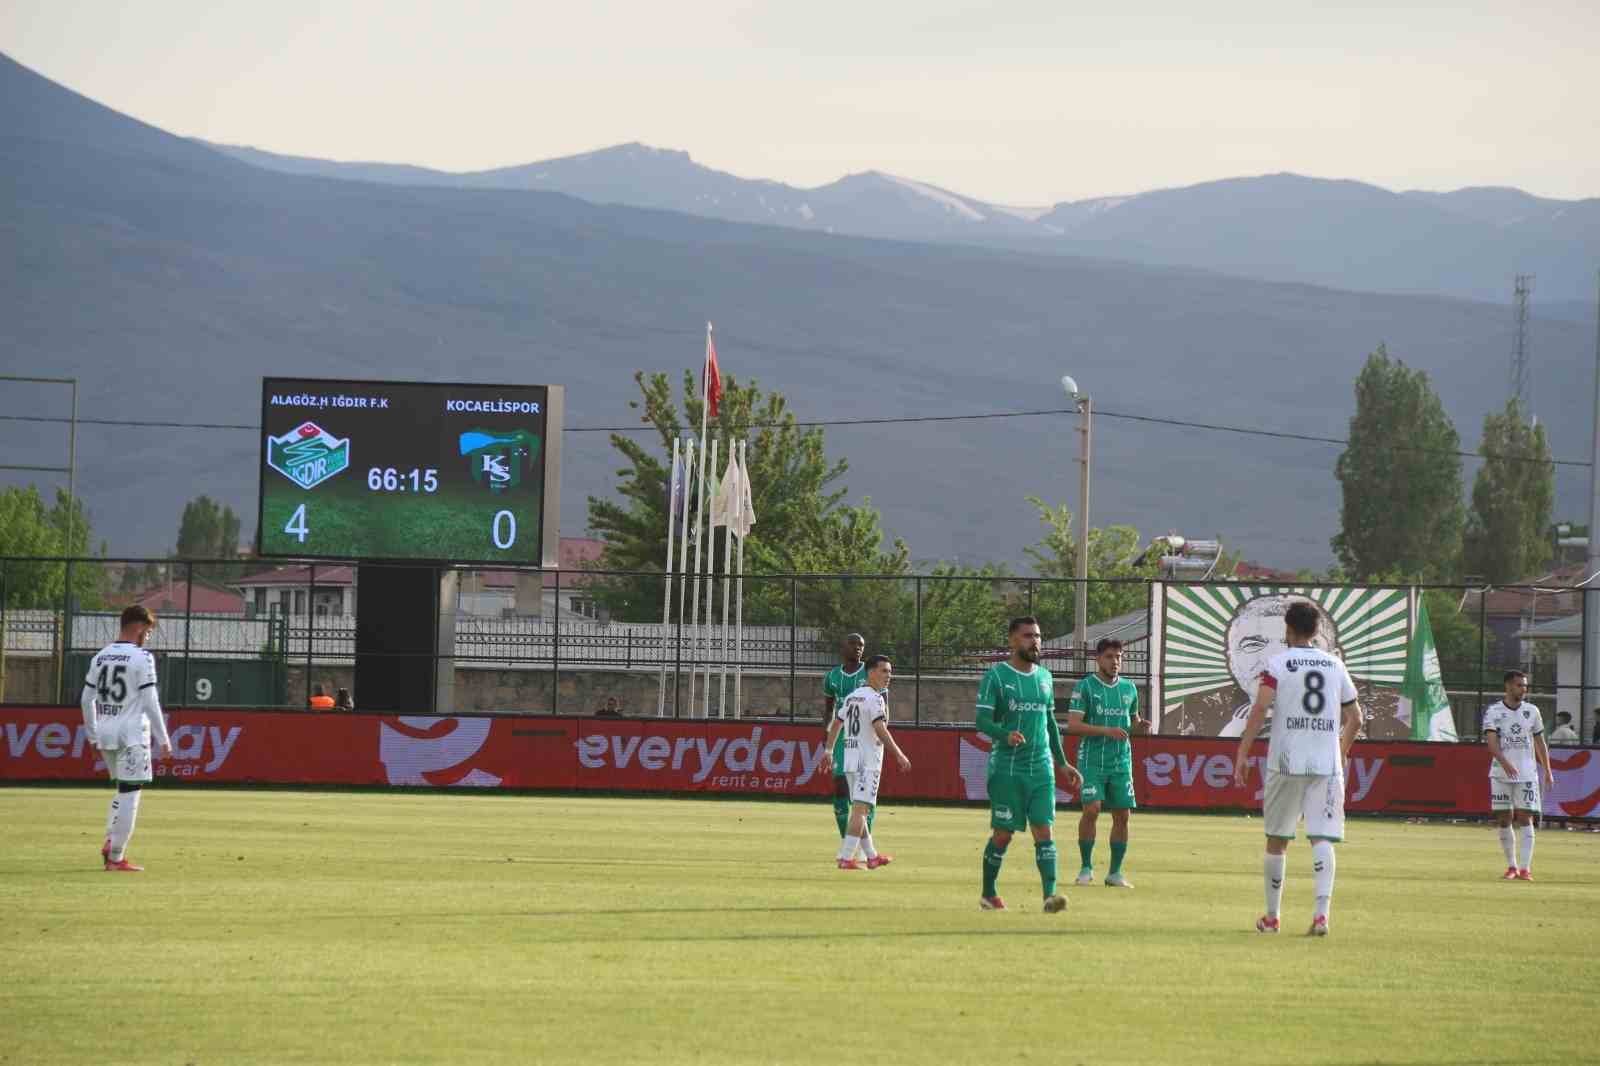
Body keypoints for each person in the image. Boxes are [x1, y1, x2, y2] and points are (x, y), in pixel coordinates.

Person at [1231, 600, 1361, 936]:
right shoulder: (1335, 665)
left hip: (1286, 759)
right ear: (1317, 630)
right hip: (1326, 762)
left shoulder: (1277, 664)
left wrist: (1243, 752)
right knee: (1322, 837)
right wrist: (1341, 751)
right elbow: (1355, 719)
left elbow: (1259, 709)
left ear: (1287, 629)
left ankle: (1273, 917)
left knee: (1277, 839)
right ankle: (1321, 916)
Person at [974, 617, 1083, 913]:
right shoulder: (997, 676)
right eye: (1027, 636)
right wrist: (1003, 734)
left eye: (1037, 636)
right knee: (1003, 833)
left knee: (1044, 830)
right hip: (1007, 769)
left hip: (1042, 769)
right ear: (1012, 640)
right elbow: (981, 720)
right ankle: (988, 893)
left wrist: (1062, 763)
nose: (1034, 641)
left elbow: (1049, 724)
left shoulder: (1045, 678)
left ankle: (1050, 896)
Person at [80, 605, 171, 872]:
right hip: (132, 735)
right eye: (149, 630)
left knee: (123, 790)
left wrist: (92, 736)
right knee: (132, 794)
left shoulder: (100, 656)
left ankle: (111, 840)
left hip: (107, 734)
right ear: (139, 627)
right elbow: (150, 700)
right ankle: (116, 858)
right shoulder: (142, 657)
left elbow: (87, 699)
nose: (149, 636)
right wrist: (163, 737)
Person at [1067, 637, 1148, 888]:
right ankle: (1085, 867)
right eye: (1110, 657)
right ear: (1098, 659)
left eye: (1119, 657)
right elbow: (1073, 725)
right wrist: (1106, 730)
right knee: (1092, 810)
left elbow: (1131, 721)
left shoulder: (1129, 689)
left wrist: (1140, 726)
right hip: (1091, 760)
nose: (1115, 662)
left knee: (1122, 815)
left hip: (1121, 761)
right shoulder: (1086, 687)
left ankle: (1114, 873)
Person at [821, 655, 911, 870]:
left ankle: (871, 856)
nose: (889, 675)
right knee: (860, 811)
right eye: (884, 671)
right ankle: (845, 857)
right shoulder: (875, 698)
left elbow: (836, 724)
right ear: (870, 673)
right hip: (867, 761)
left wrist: (829, 750)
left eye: (890, 671)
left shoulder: (852, 697)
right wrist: (898, 753)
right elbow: (880, 728)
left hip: (851, 760)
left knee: (860, 810)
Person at [1484, 670, 1554, 881]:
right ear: (1508, 686)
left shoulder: (1532, 711)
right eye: (1519, 685)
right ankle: (1511, 867)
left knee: (1525, 817)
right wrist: (1505, 763)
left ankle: (1525, 869)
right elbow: (1491, 743)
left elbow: (1540, 743)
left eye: (1525, 686)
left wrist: (1548, 770)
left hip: (1526, 774)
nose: (1523, 689)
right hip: (1500, 773)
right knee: (1504, 819)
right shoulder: (1494, 711)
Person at [823, 634, 871, 851]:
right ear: (843, 646)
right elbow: (828, 710)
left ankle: (862, 847)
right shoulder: (832, 676)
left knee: (863, 795)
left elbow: (884, 704)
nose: (857, 648)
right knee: (841, 789)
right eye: (853, 644)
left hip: (866, 738)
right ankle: (848, 842)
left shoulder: (870, 672)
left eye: (861, 645)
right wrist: (827, 738)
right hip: (842, 739)